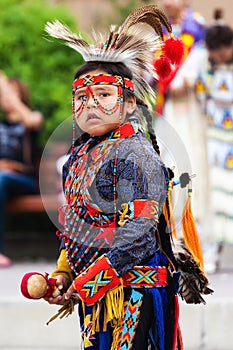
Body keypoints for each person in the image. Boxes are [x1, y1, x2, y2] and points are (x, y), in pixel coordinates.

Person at [42, 5, 212, 349]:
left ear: (129, 102)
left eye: (103, 95)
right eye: (80, 97)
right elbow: (76, 224)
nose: (89, 105)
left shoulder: (137, 155)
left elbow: (136, 238)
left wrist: (86, 282)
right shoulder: (78, 157)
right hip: (99, 296)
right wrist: (64, 274)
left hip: (137, 291)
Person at [154, 0, 208, 240]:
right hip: (167, 109)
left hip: (190, 108)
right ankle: (171, 228)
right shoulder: (161, 32)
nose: (167, 2)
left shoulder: (197, 28)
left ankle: (195, 227)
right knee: (168, 159)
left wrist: (190, 81)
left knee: (192, 158)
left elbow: (210, 66)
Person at [195, 10, 233, 272]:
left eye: (221, 51)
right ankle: (212, 250)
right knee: (217, 195)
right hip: (216, 139)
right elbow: (201, 95)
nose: (218, 56)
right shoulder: (207, 68)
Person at [0, 71, 43, 267]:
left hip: (24, 180)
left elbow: (32, 120)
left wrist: (5, 85)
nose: (6, 97)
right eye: (3, 94)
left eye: (12, 93)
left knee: (2, 180)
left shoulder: (31, 120)